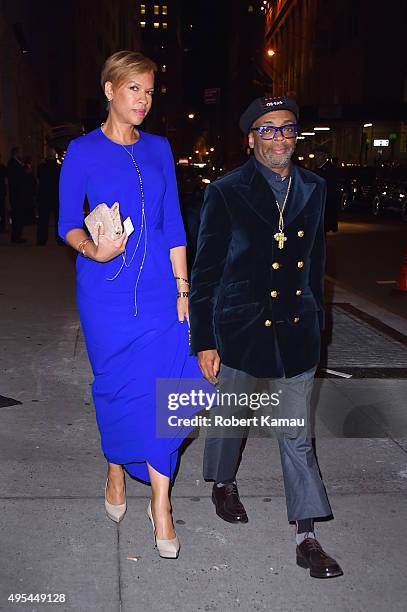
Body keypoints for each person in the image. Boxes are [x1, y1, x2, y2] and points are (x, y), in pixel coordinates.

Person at [189, 96, 343, 579]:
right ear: (251, 138)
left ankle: (306, 535)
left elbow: (317, 264)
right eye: (268, 129)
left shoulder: (316, 188)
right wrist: (204, 340)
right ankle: (222, 481)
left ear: (297, 135)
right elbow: (206, 270)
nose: (279, 138)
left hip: (296, 331)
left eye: (287, 129)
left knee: (296, 435)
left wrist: (319, 323)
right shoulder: (226, 191)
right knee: (231, 418)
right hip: (240, 328)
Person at [59, 51, 200, 559]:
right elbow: (65, 223)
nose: (143, 99)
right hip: (105, 293)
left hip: (162, 294)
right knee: (117, 390)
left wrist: (184, 289)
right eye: (133, 89)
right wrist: (92, 248)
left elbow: (174, 227)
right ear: (109, 89)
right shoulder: (81, 151)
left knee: (168, 389)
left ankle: (160, 504)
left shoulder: (161, 148)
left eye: (149, 90)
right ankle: (115, 467)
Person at [37, 147, 62, 245]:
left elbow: (39, 179)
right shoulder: (59, 168)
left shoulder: (41, 167)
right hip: (55, 196)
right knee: (58, 219)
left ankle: (41, 240)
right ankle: (59, 239)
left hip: (44, 196)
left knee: (43, 219)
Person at [7, 147, 26, 243]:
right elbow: (16, 180)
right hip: (16, 195)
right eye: (20, 153)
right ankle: (15, 236)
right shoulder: (13, 164)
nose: (22, 155)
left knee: (19, 216)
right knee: (17, 216)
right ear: (16, 153)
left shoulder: (17, 163)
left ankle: (17, 235)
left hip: (18, 194)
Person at [0, 153, 7, 232]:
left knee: (2, 210)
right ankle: (2, 227)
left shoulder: (2, 167)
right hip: (1, 191)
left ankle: (2, 226)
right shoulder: (2, 167)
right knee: (2, 210)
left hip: (1, 191)